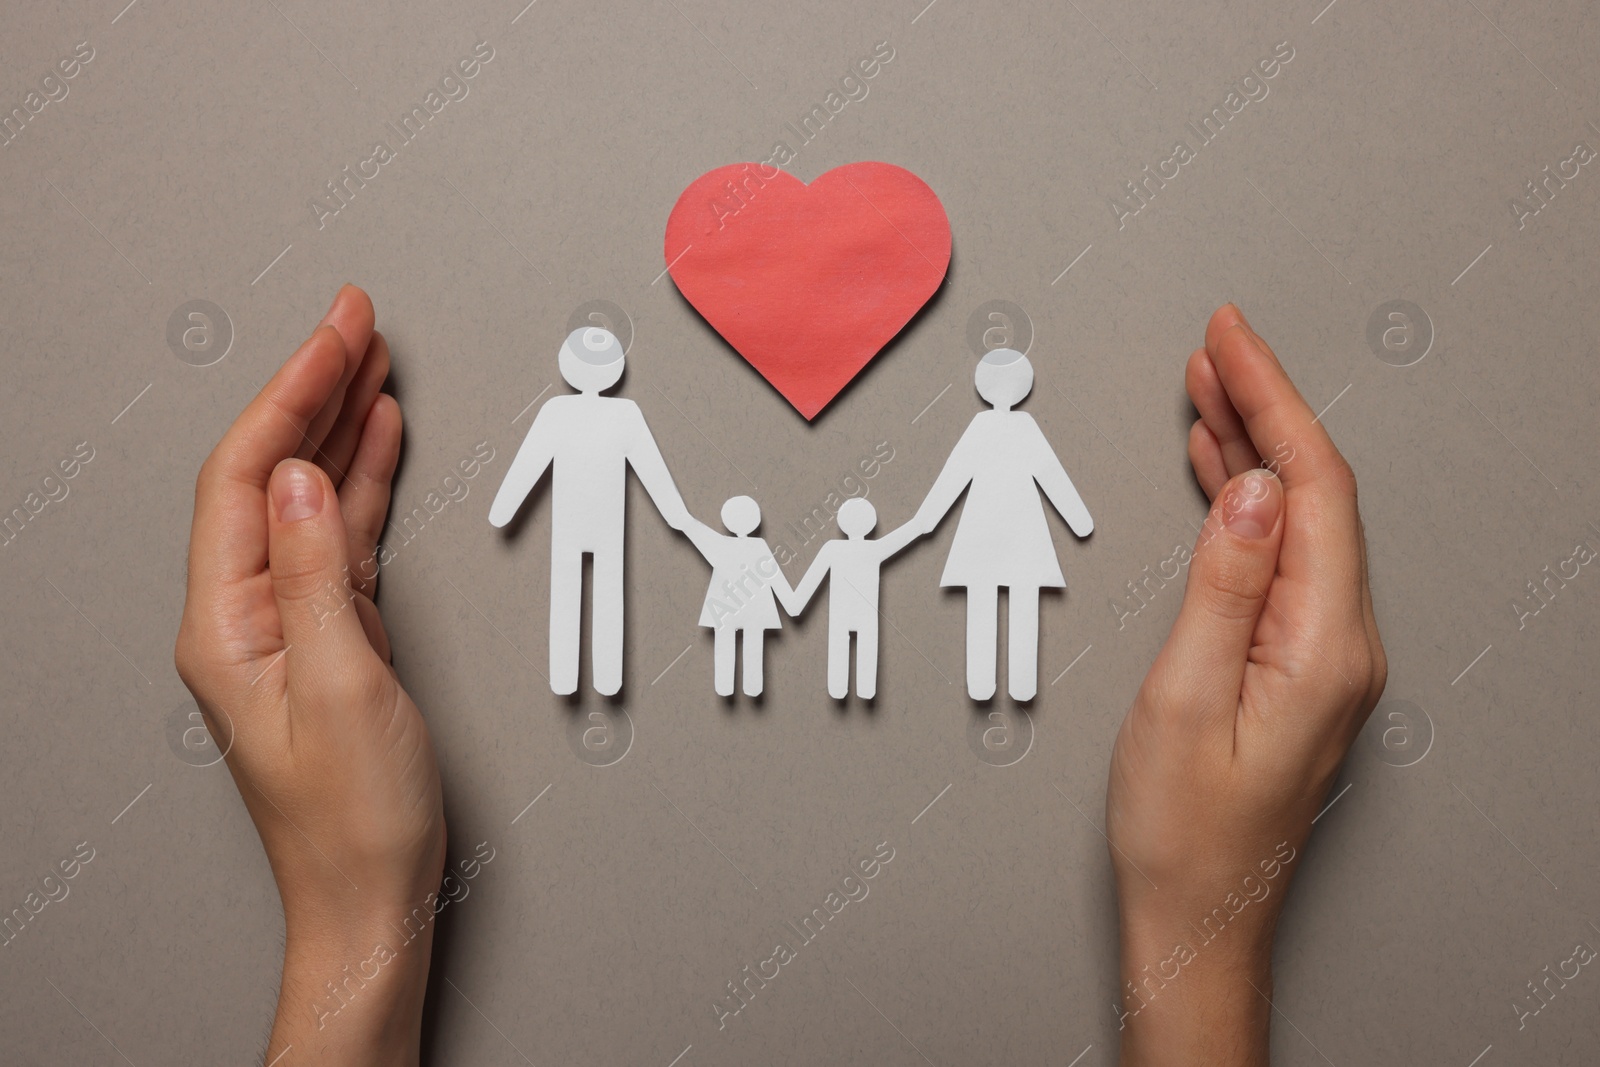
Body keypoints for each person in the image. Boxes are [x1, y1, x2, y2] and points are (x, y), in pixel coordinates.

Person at [176, 291, 1383, 1066]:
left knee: (971, 627)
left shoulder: (987, 432)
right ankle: (603, 665)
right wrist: (1199, 935)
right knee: (595, 607)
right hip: (820, 556)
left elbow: (668, 487)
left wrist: (352, 920)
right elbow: (606, 479)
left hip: (949, 556)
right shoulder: (584, 419)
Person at [488, 325, 694, 696]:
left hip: (577, 523)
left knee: (569, 594)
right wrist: (675, 514)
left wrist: (504, 508)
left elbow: (529, 463)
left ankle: (572, 679)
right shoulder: (624, 413)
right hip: (603, 525)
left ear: (568, 366)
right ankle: (605, 679)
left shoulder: (559, 410)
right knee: (607, 594)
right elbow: (650, 469)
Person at [904, 346, 1094, 701]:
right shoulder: (1022, 426)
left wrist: (926, 520)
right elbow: (1048, 474)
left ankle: (986, 683)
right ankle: (1014, 685)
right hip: (1021, 531)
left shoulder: (986, 426)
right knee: (1020, 599)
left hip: (986, 531)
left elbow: (956, 475)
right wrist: (1078, 520)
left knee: (984, 598)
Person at [781, 497, 920, 700]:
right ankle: (864, 690)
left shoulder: (833, 548)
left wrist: (794, 603)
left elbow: (811, 581)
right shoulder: (874, 549)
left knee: (841, 647)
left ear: (842, 523)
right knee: (867, 647)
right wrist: (922, 522)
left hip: (841, 615)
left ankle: (839, 689)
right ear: (871, 523)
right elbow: (908, 532)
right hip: (865, 616)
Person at [682, 496, 795, 697]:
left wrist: (685, 521)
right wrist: (792, 602)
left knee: (727, 643)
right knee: (752, 645)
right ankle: (751, 687)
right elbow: (774, 576)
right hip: (755, 610)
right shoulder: (757, 546)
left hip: (727, 609)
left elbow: (699, 535)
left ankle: (726, 686)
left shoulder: (723, 545)